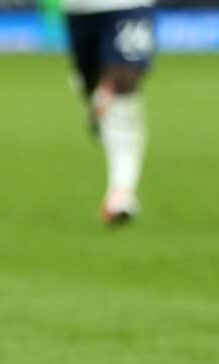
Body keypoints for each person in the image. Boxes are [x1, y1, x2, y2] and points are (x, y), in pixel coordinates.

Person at [62, 0, 156, 225]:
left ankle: (121, 193)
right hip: (78, 8)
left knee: (123, 90)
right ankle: (99, 102)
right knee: (92, 87)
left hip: (128, 5)